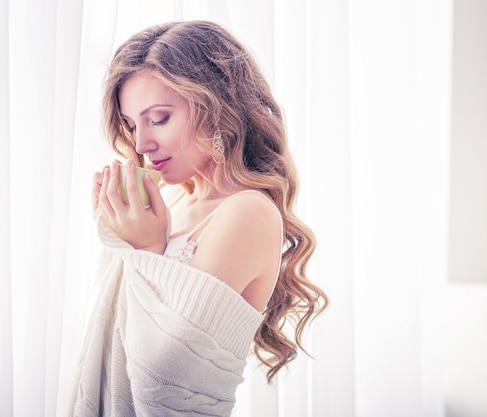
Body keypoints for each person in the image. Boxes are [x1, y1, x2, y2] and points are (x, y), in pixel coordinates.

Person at [67, 20, 327, 417]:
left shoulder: (248, 212)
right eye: (133, 124)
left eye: (159, 118)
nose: (141, 144)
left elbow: (165, 381)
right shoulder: (168, 199)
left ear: (217, 109)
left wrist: (147, 249)